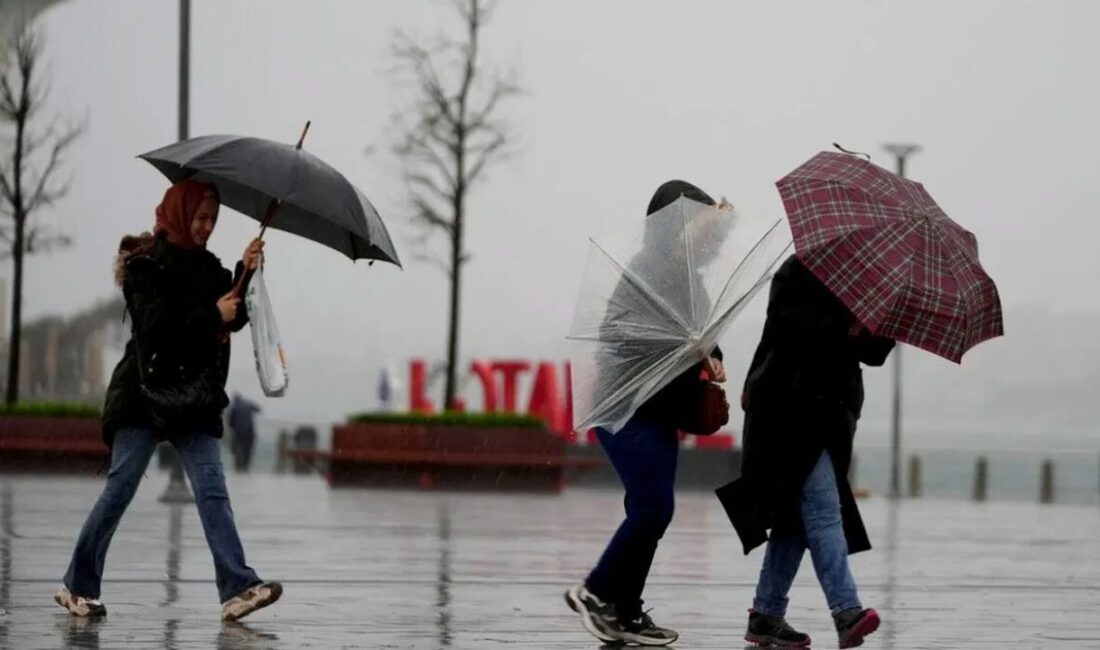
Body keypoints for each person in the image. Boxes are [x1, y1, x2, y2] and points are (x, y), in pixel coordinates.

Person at [54, 180, 282, 622]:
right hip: (143, 393)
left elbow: (231, 312)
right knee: (121, 488)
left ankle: (237, 587)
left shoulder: (210, 268)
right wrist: (213, 314)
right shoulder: (144, 268)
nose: (206, 227)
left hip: (192, 397)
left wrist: (246, 269)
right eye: (200, 218)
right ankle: (77, 586)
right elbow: (159, 328)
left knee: (213, 490)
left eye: (213, 220)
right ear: (179, 213)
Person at [565, 180, 728, 647]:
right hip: (626, 406)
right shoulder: (646, 271)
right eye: (693, 222)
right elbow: (617, 330)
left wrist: (712, 355)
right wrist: (683, 343)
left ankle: (625, 612)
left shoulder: (691, 279)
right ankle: (595, 592)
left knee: (649, 509)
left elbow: (704, 334)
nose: (701, 234)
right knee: (655, 508)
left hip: (661, 409)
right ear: (669, 225)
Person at [719, 254, 894, 648]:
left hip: (833, 416)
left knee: (793, 521)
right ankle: (846, 610)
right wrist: (844, 326)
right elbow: (786, 329)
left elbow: (876, 353)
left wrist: (870, 328)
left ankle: (766, 614)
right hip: (789, 411)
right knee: (823, 508)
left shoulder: (871, 282)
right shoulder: (798, 270)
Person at [227, 392, 261, 472]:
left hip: (239, 432)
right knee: (248, 450)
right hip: (249, 431)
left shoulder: (234, 407)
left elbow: (230, 422)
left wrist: (234, 428)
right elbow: (258, 409)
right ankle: (246, 466)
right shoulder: (247, 404)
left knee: (236, 448)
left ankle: (238, 466)